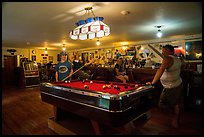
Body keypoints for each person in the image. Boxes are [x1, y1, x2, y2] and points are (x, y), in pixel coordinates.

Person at [146, 44, 183, 128]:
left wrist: (152, 83)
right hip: (171, 85)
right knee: (164, 104)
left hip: (173, 86)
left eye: (164, 50)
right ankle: (172, 117)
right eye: (162, 50)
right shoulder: (177, 58)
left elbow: (160, 70)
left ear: (169, 51)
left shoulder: (168, 59)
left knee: (175, 104)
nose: (162, 52)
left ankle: (175, 120)